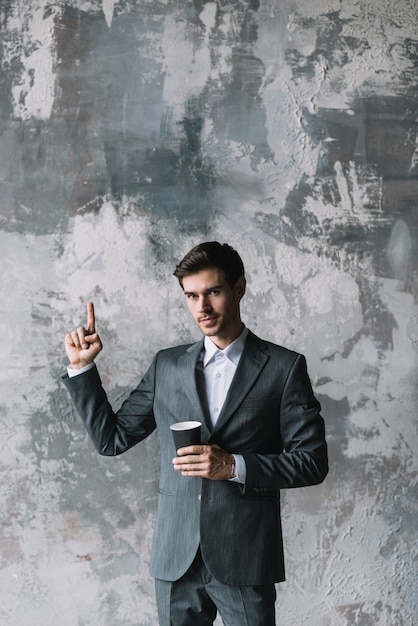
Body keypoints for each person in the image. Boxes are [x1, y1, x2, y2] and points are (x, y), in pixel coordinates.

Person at [62, 241, 328, 626]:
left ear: (239, 289)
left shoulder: (284, 368)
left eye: (213, 292)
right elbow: (112, 439)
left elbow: (312, 463)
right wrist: (83, 370)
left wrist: (233, 465)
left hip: (245, 557)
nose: (201, 308)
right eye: (191, 296)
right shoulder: (166, 365)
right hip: (175, 558)